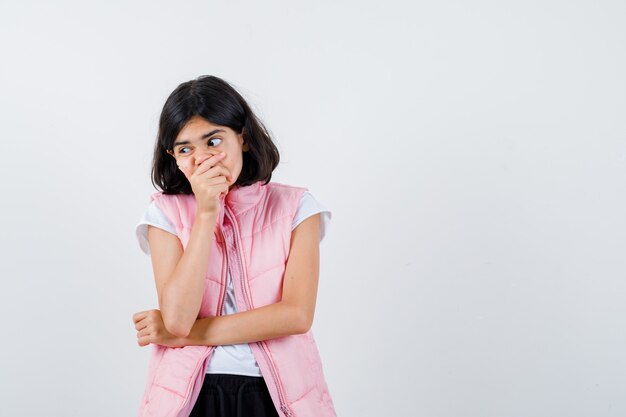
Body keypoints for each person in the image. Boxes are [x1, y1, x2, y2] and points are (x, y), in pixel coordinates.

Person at [132, 75, 337, 417]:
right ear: (174, 156)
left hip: (276, 395)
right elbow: (178, 319)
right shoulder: (162, 213)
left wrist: (181, 335)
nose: (202, 159)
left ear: (242, 137)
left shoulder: (297, 207)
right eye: (186, 149)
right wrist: (206, 213)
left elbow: (296, 315)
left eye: (213, 141)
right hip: (191, 395)